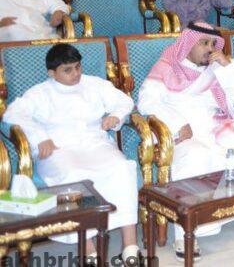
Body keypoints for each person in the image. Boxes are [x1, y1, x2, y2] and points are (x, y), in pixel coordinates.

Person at [137, 23, 234, 259]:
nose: (210, 49)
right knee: (197, 156)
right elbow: (146, 102)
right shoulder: (167, 66)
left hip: (217, 129)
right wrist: (176, 123)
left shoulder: (216, 68)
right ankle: (186, 231)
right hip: (185, 135)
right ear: (188, 44)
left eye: (213, 44)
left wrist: (226, 66)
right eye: (204, 43)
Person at [3, 43, 139, 265]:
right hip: (59, 149)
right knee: (75, 176)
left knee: (122, 169)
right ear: (52, 73)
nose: (75, 74)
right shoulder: (40, 93)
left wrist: (115, 115)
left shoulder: (94, 84)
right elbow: (12, 114)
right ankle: (88, 247)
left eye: (77, 67)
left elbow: (124, 101)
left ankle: (130, 245)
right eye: (67, 70)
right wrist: (39, 137)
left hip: (94, 143)